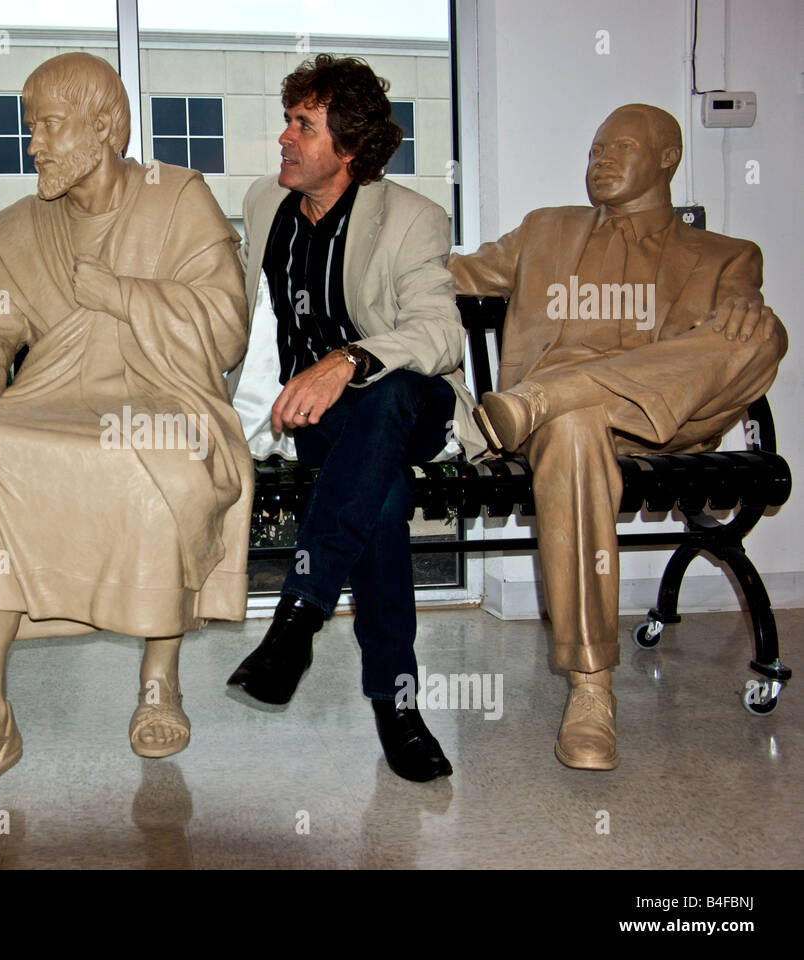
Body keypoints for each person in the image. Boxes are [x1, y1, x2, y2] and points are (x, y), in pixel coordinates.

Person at [0, 52, 252, 810]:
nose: (32, 144)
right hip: (53, 400)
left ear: (104, 128)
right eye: (29, 128)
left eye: (47, 127)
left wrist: (126, 295)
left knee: (158, 469)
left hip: (162, 397)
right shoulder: (22, 227)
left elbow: (227, 326)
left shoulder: (177, 199)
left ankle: (158, 680)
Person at [448, 103, 787, 770]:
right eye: (596, 147)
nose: (600, 157)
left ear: (668, 158)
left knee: (762, 332)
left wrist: (746, 310)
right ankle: (592, 689)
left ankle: (546, 397)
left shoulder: (726, 257)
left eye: (622, 146)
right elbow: (445, 274)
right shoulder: (545, 231)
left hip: (659, 424)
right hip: (562, 436)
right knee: (574, 425)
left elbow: (733, 348)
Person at [226, 54, 484, 782]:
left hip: (412, 404)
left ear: (347, 149)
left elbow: (439, 335)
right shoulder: (263, 205)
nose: (283, 137)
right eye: (288, 120)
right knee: (381, 497)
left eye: (301, 125)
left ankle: (296, 620)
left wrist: (348, 361)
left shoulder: (410, 218)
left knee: (386, 397)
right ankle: (394, 703)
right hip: (328, 425)